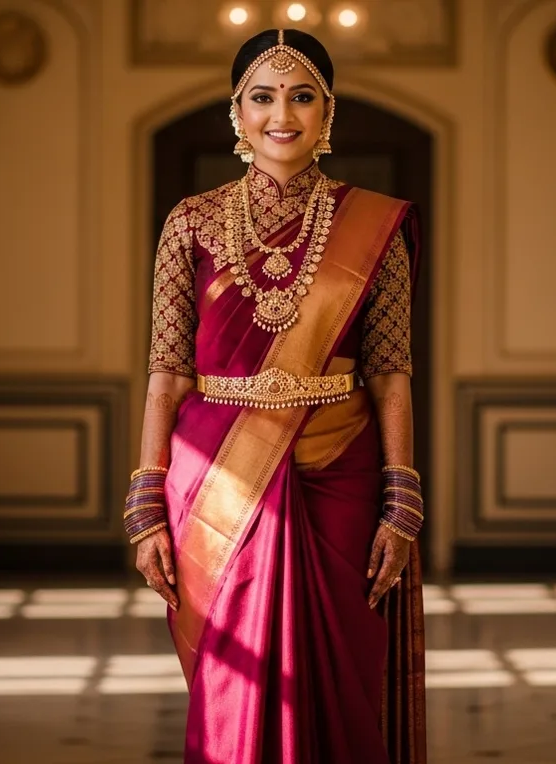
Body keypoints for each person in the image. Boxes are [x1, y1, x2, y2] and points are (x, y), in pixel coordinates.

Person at [125, 28, 427, 763]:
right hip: (215, 483)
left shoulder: (373, 227)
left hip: (341, 478)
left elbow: (389, 373)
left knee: (343, 685)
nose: (281, 113)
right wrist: (145, 505)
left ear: (329, 111)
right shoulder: (190, 223)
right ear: (237, 111)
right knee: (232, 685)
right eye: (262, 96)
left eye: (301, 96)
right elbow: (166, 375)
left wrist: (401, 494)